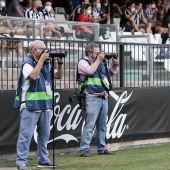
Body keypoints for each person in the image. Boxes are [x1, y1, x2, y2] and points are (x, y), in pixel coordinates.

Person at [14, 40, 64, 170]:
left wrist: (60, 62)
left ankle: (43, 159)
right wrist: (41, 61)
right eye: (42, 49)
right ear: (34, 50)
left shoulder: (46, 64)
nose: (45, 51)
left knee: (44, 136)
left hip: (45, 106)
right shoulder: (27, 64)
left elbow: (59, 76)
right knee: (25, 136)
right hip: (30, 106)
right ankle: (21, 162)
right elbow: (33, 76)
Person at [77, 43, 112, 157]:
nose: (99, 55)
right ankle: (84, 150)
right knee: (90, 125)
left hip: (103, 97)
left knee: (102, 126)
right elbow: (90, 71)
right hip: (92, 97)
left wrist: (115, 65)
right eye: (97, 53)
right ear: (89, 53)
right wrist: (98, 60)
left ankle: (101, 148)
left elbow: (109, 73)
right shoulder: (83, 62)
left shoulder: (100, 63)